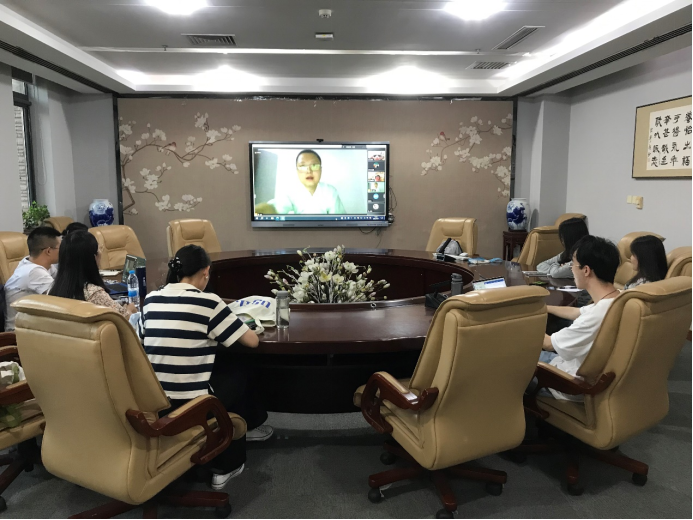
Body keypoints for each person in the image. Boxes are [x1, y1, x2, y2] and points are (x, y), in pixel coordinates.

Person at [138, 245, 273, 490]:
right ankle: (227, 463)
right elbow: (252, 341)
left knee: (221, 367)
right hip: (192, 405)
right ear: (206, 272)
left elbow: (143, 339)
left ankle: (245, 428)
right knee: (240, 370)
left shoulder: (151, 299)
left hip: (154, 401)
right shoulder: (208, 302)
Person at [538, 236, 621, 401]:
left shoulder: (597, 316)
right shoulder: (619, 298)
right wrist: (544, 307)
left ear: (586, 270)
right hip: (581, 369)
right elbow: (577, 312)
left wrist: (517, 323)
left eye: (573, 264)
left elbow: (548, 344)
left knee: (509, 362)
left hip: (569, 383)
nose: (571, 269)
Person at [48, 231, 136, 320]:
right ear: (93, 258)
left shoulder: (53, 290)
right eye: (98, 250)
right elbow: (123, 320)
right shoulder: (94, 293)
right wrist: (129, 310)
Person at [3, 227, 61, 331]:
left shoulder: (30, 262)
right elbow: (61, 298)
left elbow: (61, 280)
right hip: (17, 333)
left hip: (30, 325)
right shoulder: (33, 272)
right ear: (48, 251)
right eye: (60, 247)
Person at [270, 150, 346, 215]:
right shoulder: (290, 192)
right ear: (297, 171)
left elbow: (338, 220)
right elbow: (275, 209)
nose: (309, 171)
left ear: (321, 170)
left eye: (314, 165)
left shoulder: (330, 191)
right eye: (302, 166)